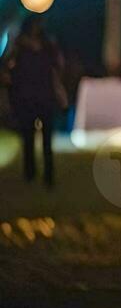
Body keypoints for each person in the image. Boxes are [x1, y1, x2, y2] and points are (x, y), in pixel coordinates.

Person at [1, 16, 67, 188]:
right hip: (27, 97)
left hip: (44, 96)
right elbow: (7, 67)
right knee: (28, 137)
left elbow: (58, 66)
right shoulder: (19, 45)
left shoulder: (47, 45)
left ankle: (48, 175)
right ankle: (30, 173)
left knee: (46, 140)